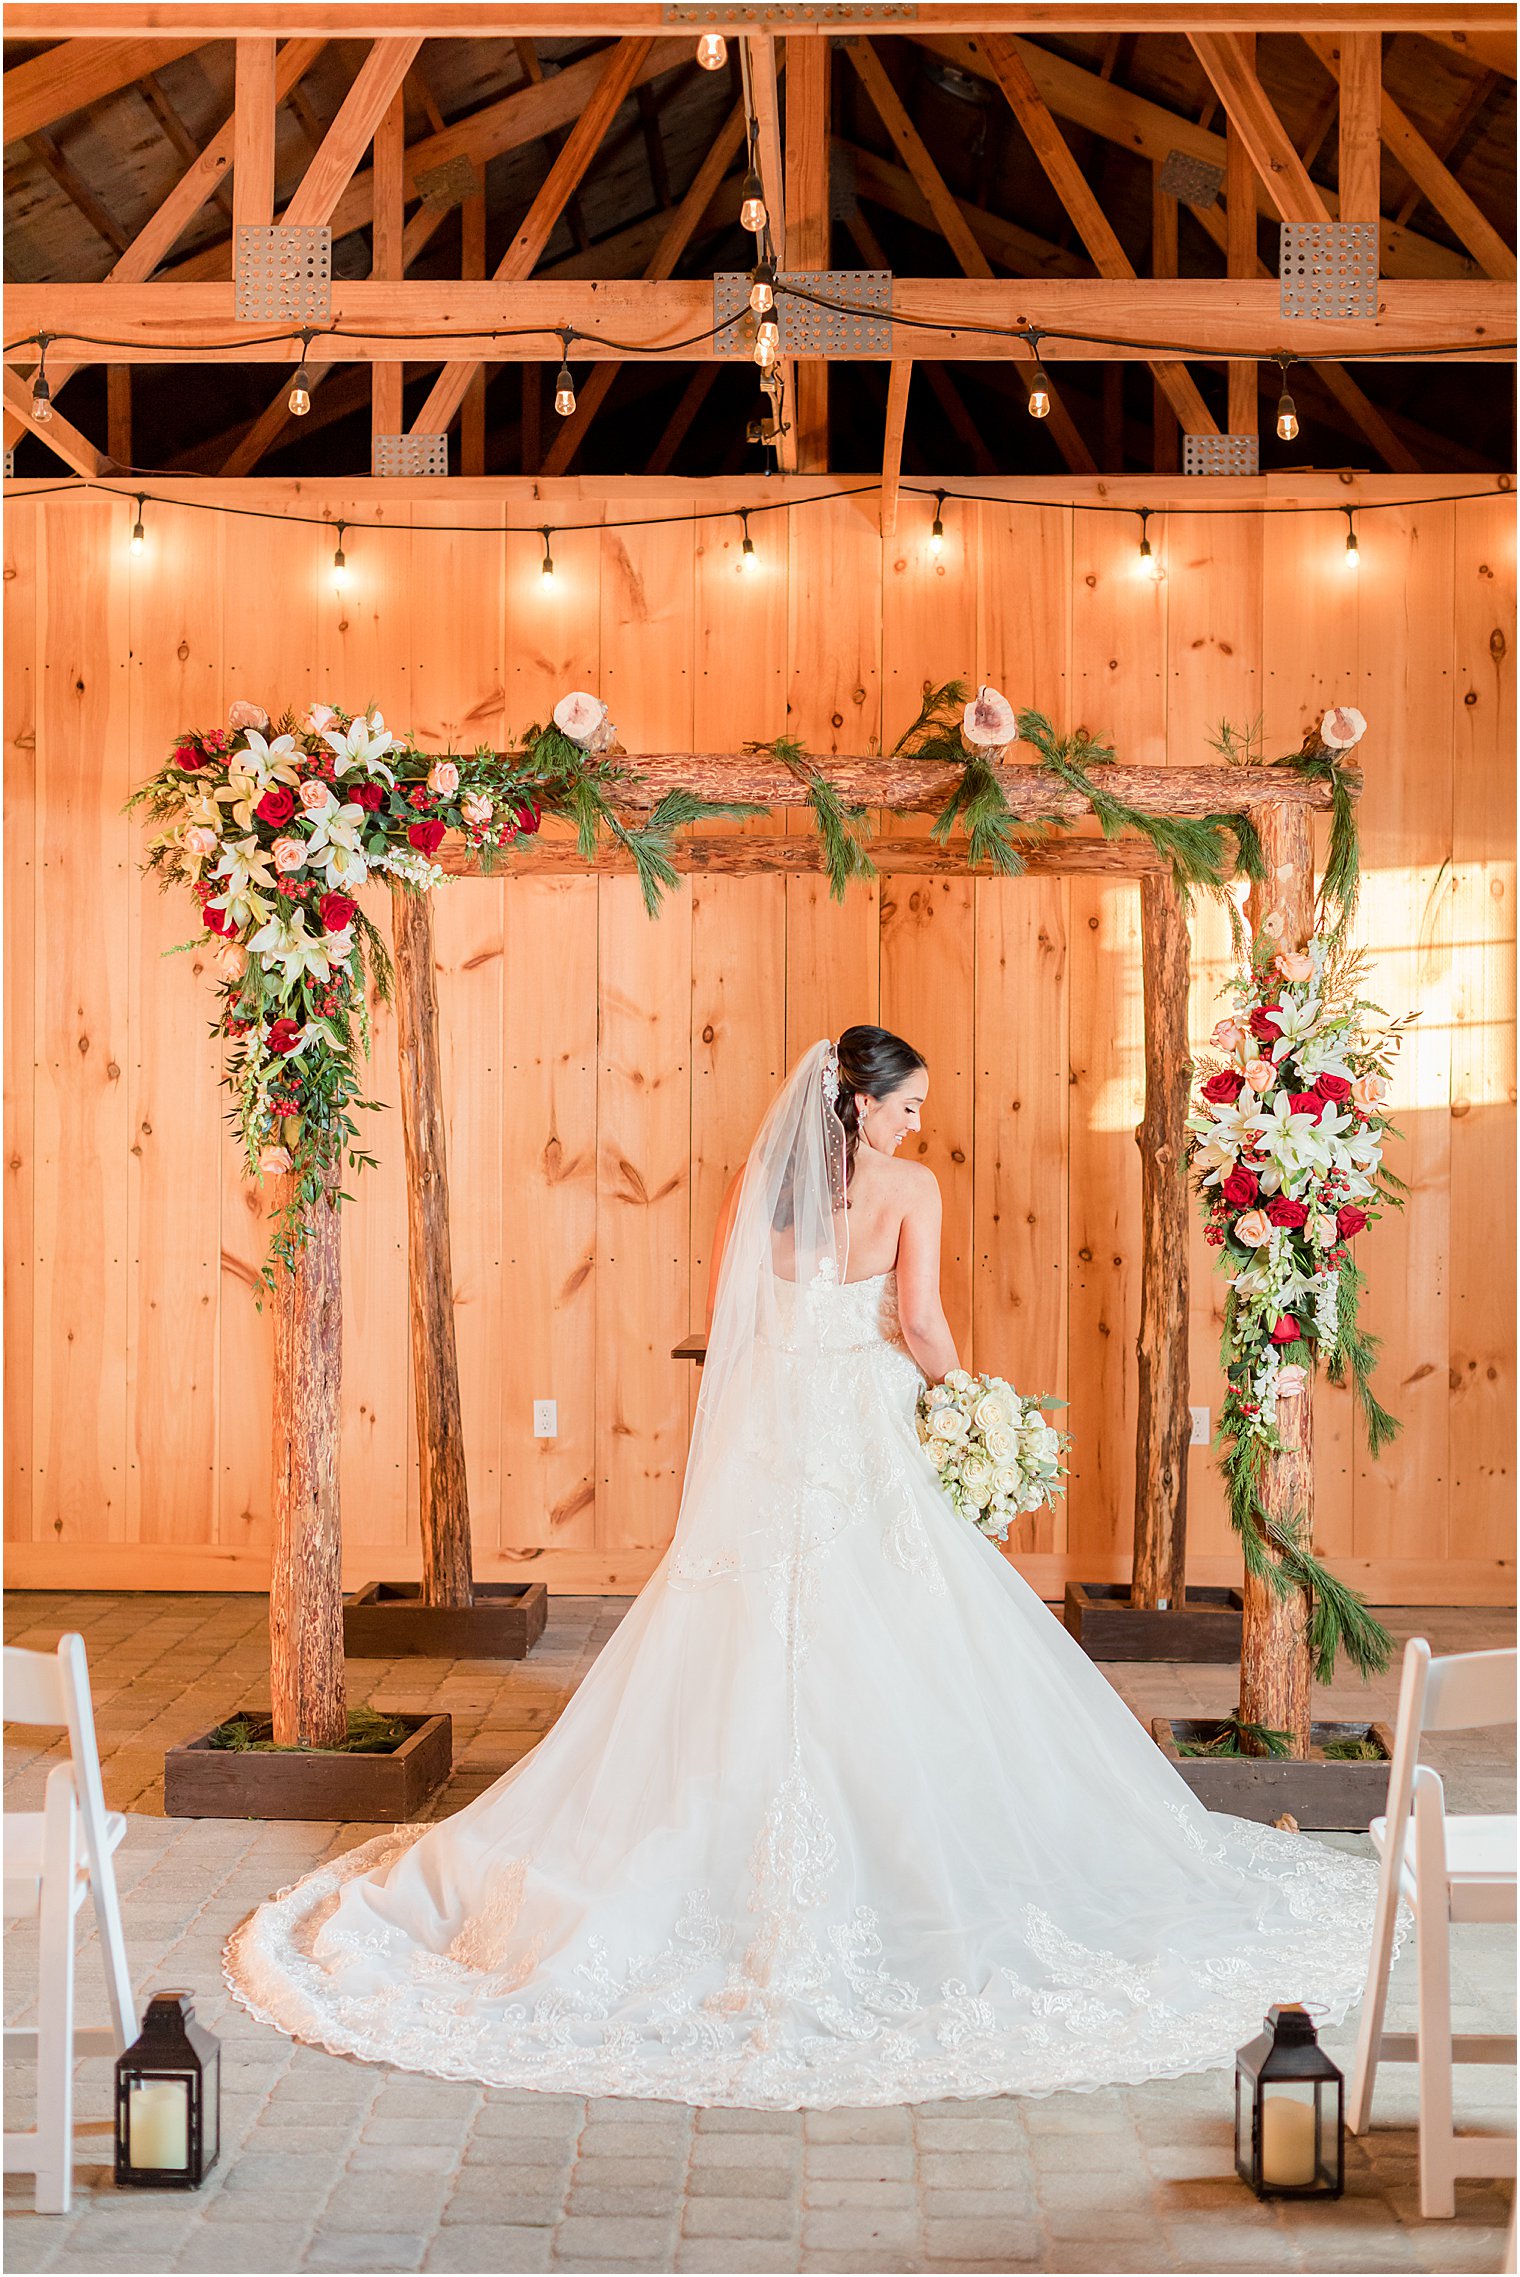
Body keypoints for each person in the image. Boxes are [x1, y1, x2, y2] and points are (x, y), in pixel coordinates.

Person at [226, 1027, 1384, 2110]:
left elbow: (747, 1313)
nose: (917, 1129)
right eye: (909, 1108)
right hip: (866, 1426)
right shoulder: (910, 1193)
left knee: (738, 1625)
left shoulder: (765, 1186)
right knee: (910, 1622)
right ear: (863, 1106)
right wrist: (968, 1399)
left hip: (777, 1430)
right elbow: (919, 1323)